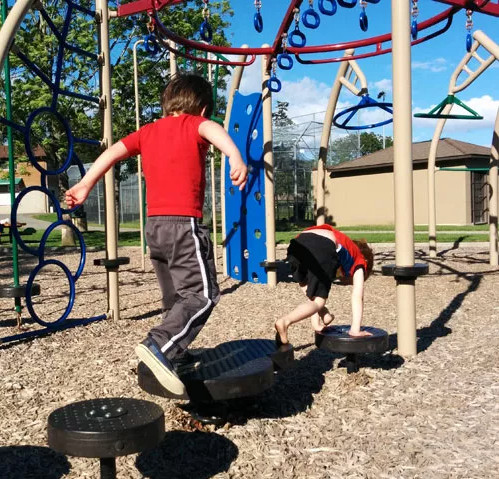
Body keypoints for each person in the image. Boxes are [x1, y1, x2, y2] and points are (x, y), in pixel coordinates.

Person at [66, 74, 247, 396]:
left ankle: (174, 353)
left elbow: (110, 154)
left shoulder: (148, 131)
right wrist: (234, 155)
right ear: (203, 107)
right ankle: (160, 345)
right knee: (202, 295)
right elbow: (213, 130)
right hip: (183, 225)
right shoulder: (195, 123)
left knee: (174, 298)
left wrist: (85, 184)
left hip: (155, 228)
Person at [274, 224, 374, 345]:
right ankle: (285, 321)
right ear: (366, 262)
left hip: (298, 242)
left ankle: (321, 316)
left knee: (308, 287)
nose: (347, 280)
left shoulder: (344, 246)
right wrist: (355, 330)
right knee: (318, 301)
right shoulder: (359, 260)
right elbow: (358, 296)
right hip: (321, 245)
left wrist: (318, 324)